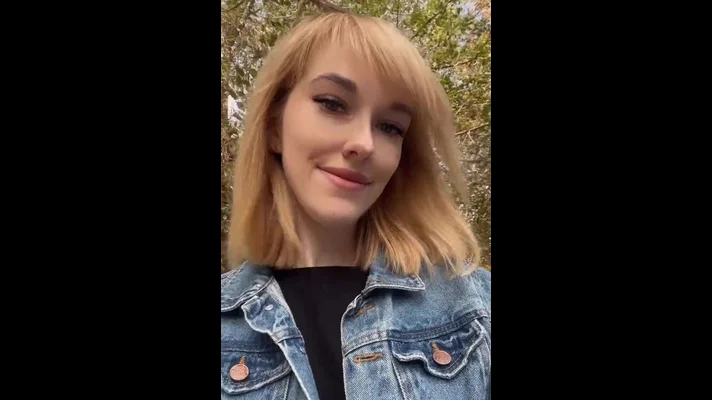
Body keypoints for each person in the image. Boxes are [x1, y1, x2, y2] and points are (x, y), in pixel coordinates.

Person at [221, 11, 490, 400]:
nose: (364, 143)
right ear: (275, 126)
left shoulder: (476, 308)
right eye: (333, 104)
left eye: (390, 126)